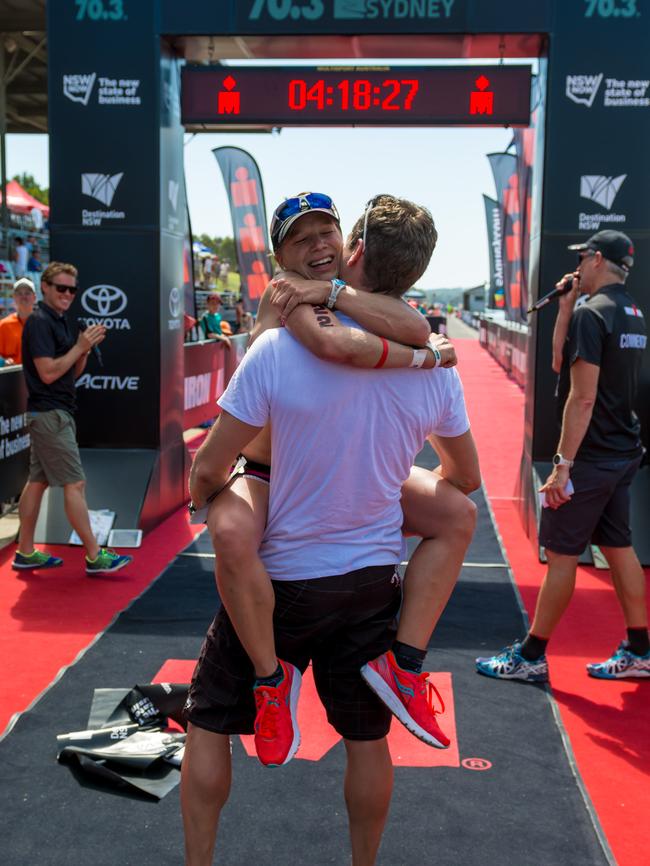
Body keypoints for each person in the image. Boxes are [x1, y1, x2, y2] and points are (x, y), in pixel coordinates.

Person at [182, 194, 479, 866]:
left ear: (353, 250)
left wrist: (221, 492)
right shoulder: (430, 356)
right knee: (368, 741)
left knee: (207, 721)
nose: (319, 245)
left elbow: (212, 463)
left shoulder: (278, 348)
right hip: (368, 581)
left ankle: (268, 682)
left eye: (329, 233)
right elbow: (464, 481)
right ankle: (403, 666)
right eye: (304, 238)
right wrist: (375, 477)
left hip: (285, 574)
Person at [476, 230, 649, 682]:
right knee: (618, 547)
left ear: (594, 259)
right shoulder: (630, 312)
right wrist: (567, 307)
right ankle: (640, 649)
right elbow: (560, 363)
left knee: (562, 556)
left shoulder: (595, 316)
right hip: (623, 452)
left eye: (582, 258)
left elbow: (583, 398)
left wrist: (562, 465)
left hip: (590, 459)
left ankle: (531, 657)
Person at [12, 262, 133, 574]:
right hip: (50, 413)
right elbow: (48, 373)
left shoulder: (61, 320)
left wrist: (83, 353)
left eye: (72, 289)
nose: (67, 294)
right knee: (75, 484)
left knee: (37, 482)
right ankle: (94, 556)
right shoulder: (40, 321)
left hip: (55, 411)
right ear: (45, 288)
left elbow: (70, 373)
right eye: (61, 288)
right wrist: (79, 346)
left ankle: (25, 552)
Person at [0, 277, 36, 366]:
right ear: (14, 297)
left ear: (34, 297)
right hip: (12, 376)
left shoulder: (44, 323)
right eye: (19, 293)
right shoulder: (4, 325)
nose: (23, 296)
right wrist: (3, 362)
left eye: (27, 293)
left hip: (38, 377)